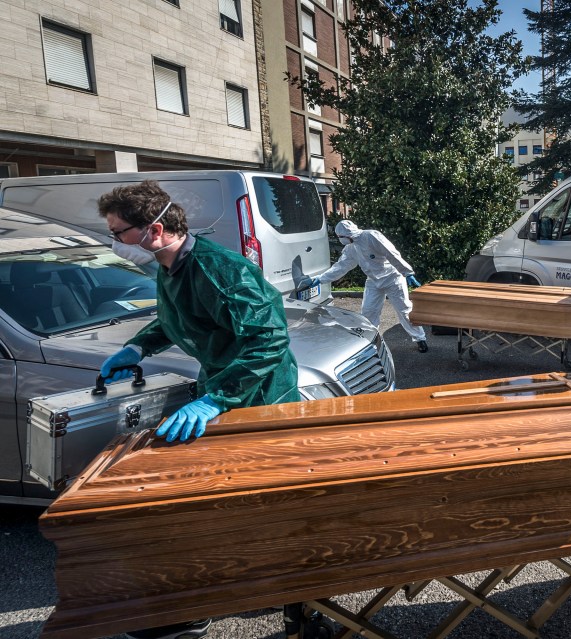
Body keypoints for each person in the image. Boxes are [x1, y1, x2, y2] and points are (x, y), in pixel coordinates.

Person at [98, 180, 299, 639]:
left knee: (257, 497)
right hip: (224, 385)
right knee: (223, 496)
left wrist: (216, 399)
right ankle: (229, 587)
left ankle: (283, 589)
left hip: (258, 395)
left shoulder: (218, 269)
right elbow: (179, 317)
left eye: (119, 233)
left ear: (154, 229)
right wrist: (138, 346)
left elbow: (269, 339)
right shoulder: (172, 266)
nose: (115, 242)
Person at [305, 219, 428, 352]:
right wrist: (321, 279)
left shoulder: (371, 236)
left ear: (347, 235)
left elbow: (391, 253)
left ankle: (420, 338)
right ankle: (371, 341)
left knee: (404, 310)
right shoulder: (350, 249)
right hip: (373, 281)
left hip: (393, 278)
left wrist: (407, 272)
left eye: (340, 237)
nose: (340, 240)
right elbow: (341, 267)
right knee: (368, 312)